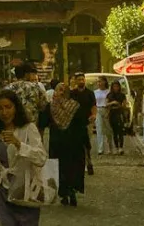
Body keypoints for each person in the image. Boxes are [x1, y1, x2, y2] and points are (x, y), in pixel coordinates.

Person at [0, 91, 49, 226]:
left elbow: (41, 157)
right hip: (0, 192)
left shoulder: (28, 129)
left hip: (25, 191)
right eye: (0, 108)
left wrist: (19, 144)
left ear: (16, 108)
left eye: (8, 107)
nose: (4, 112)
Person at [40, 76, 88, 207]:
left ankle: (67, 192)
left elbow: (81, 124)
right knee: (65, 168)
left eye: (63, 90)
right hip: (66, 143)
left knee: (66, 168)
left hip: (65, 143)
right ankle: (67, 192)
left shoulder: (61, 107)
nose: (60, 92)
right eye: (59, 90)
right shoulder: (58, 106)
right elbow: (42, 124)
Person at [107, 83, 129, 152]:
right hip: (112, 114)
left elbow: (124, 105)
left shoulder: (122, 95)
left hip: (119, 113)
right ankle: (116, 147)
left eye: (117, 86)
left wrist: (120, 105)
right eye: (114, 87)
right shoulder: (109, 95)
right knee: (114, 131)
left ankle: (121, 147)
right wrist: (113, 102)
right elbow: (106, 104)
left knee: (120, 131)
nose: (115, 88)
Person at [92, 78, 110, 156]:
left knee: (108, 130)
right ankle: (100, 148)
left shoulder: (108, 91)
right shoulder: (95, 92)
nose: (99, 83)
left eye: (100, 81)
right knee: (99, 129)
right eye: (98, 81)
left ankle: (110, 147)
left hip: (106, 109)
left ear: (104, 82)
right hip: (98, 109)